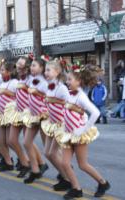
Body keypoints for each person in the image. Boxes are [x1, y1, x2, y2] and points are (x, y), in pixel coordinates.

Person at [56, 64, 110, 199]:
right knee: (65, 163)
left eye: (70, 80)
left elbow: (95, 113)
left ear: (79, 81)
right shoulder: (68, 94)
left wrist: (83, 129)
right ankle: (76, 189)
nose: (67, 82)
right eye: (67, 79)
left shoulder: (81, 96)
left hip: (79, 135)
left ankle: (103, 183)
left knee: (82, 165)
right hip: (68, 133)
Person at [41, 59, 71, 191]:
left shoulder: (62, 88)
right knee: (47, 153)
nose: (46, 72)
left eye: (49, 70)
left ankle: (67, 179)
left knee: (52, 153)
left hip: (61, 124)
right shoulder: (50, 86)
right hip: (52, 123)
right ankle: (64, 175)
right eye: (45, 70)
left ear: (57, 72)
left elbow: (69, 104)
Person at [23, 56, 49, 184]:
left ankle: (65, 173)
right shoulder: (31, 79)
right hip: (33, 115)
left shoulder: (45, 82)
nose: (31, 67)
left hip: (44, 116)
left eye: (34, 65)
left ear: (42, 68)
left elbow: (49, 96)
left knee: (49, 149)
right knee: (27, 143)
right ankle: (35, 170)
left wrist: (37, 93)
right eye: (31, 65)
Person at [0, 61, 18, 171]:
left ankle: (23, 160)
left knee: (9, 140)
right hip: (1, 114)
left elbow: (17, 95)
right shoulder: (3, 82)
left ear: (10, 71)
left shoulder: (15, 82)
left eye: (3, 70)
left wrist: (6, 91)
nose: (1, 72)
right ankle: (8, 161)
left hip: (10, 114)